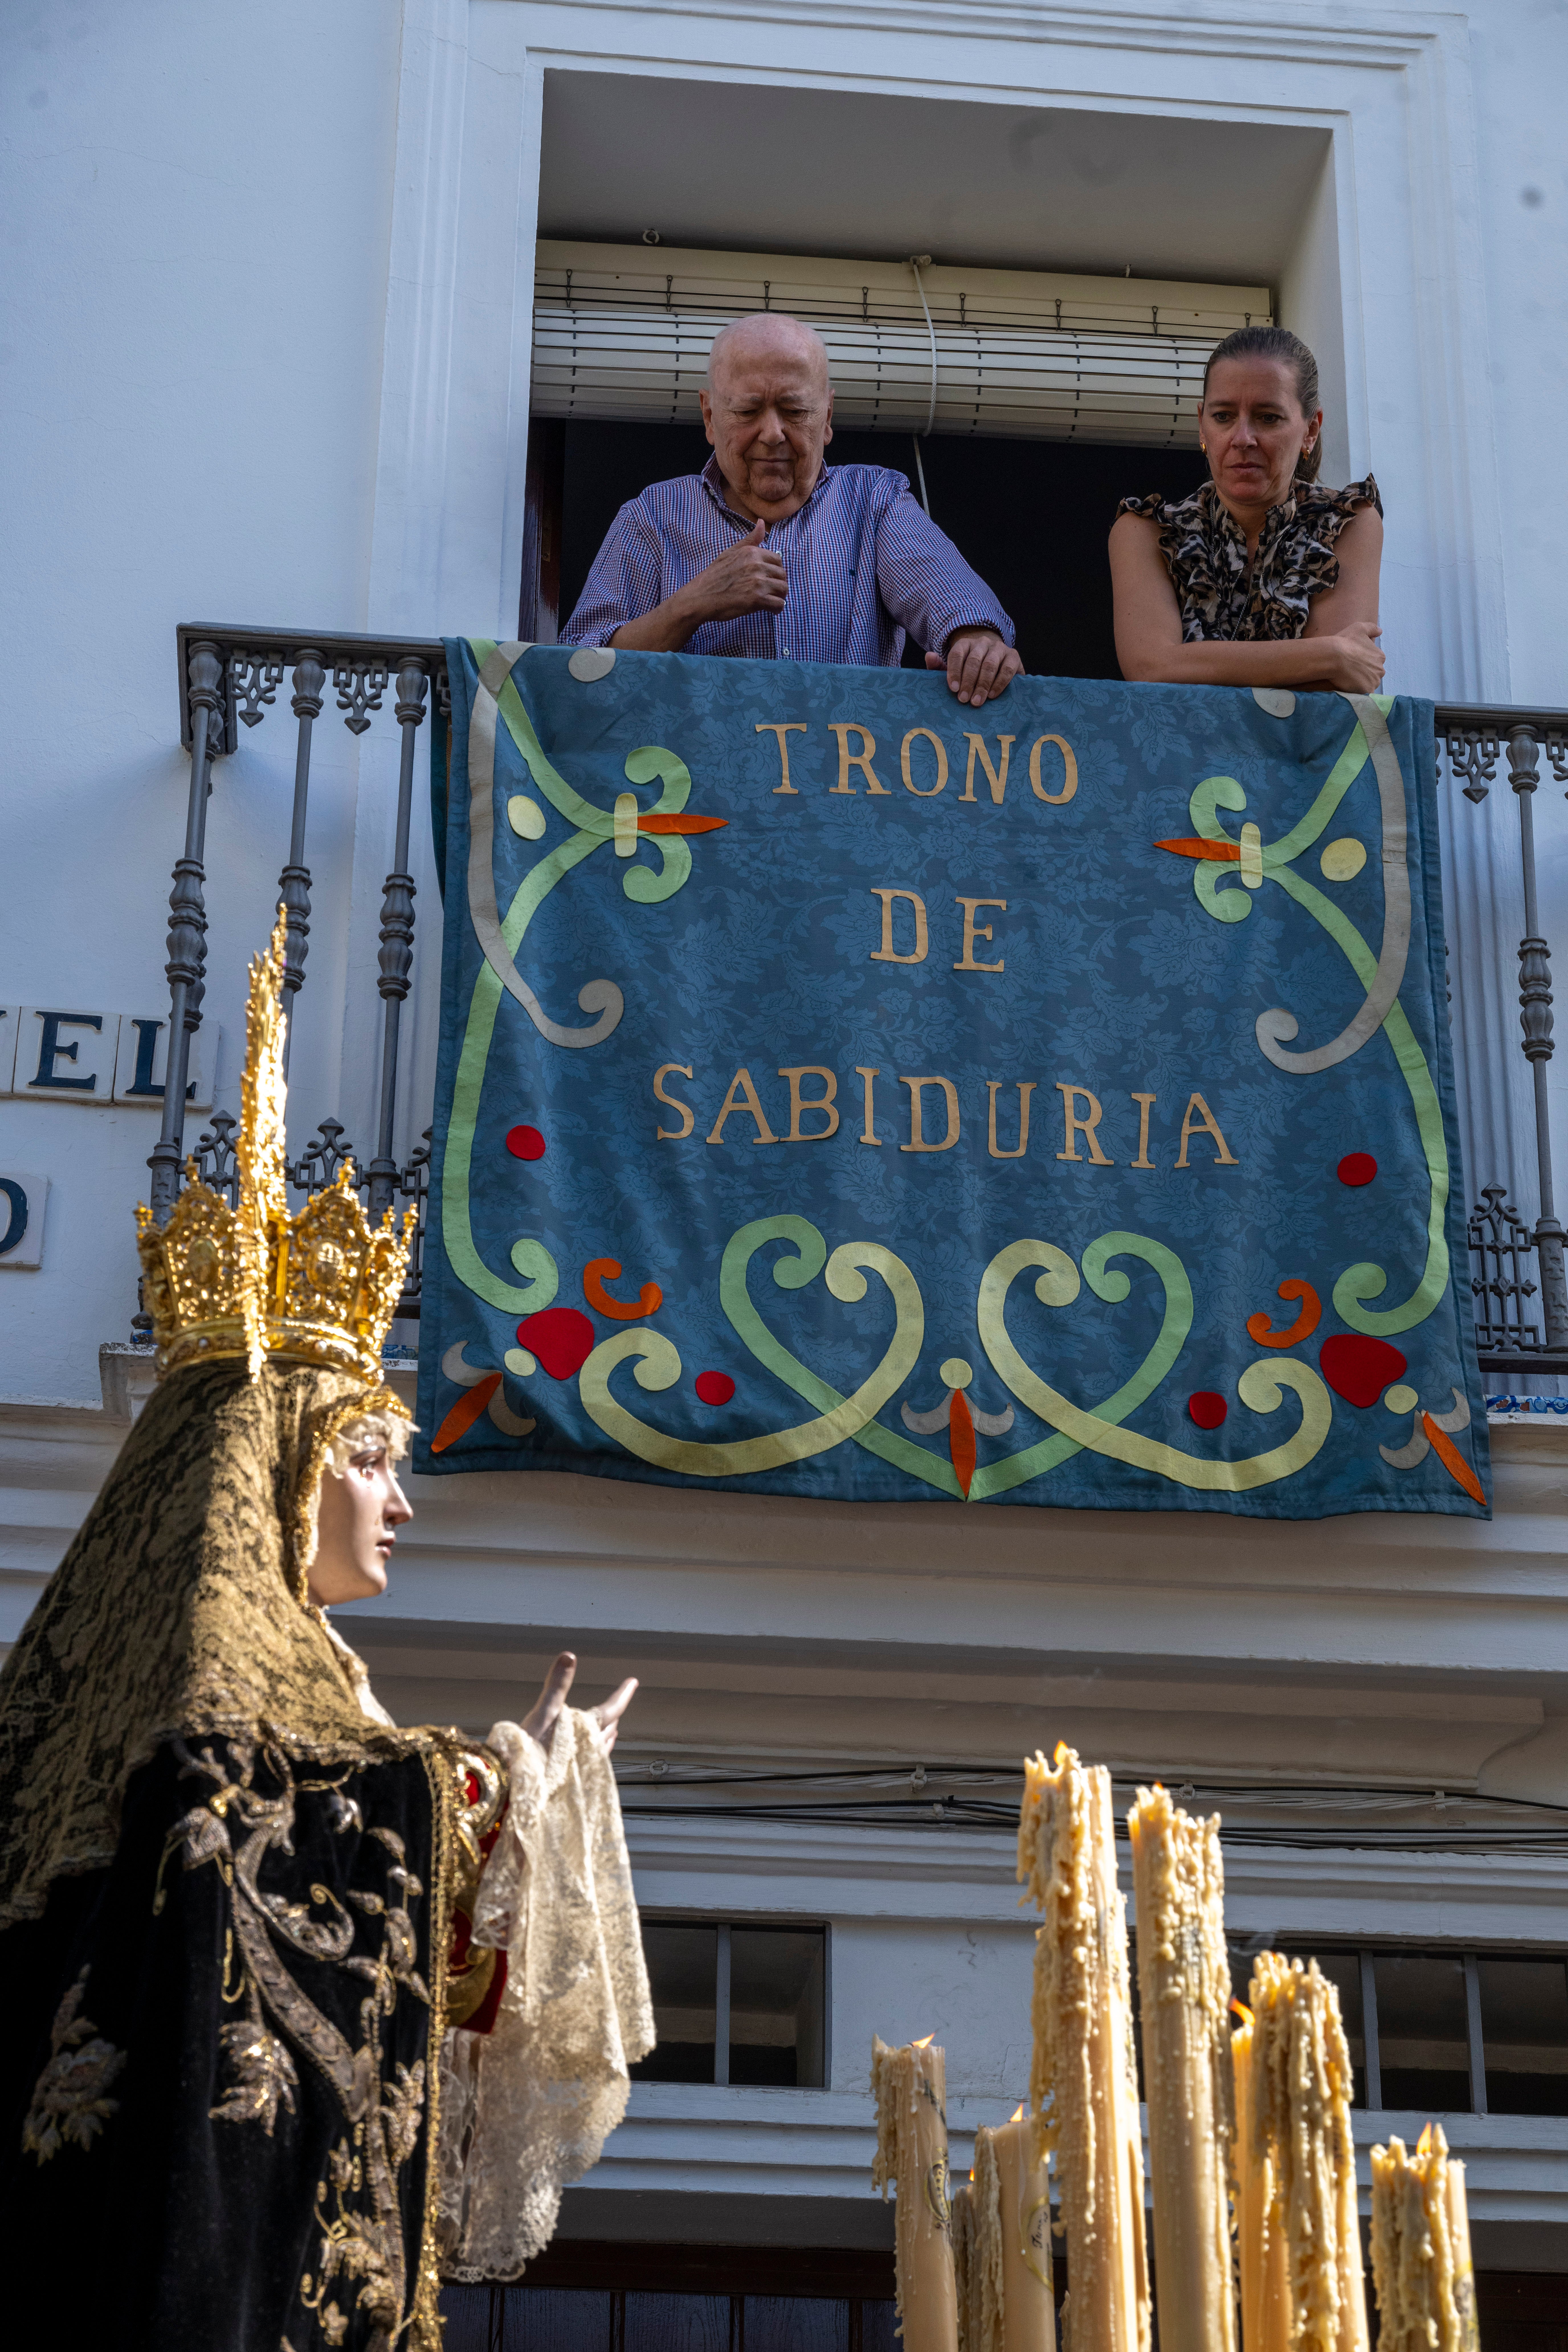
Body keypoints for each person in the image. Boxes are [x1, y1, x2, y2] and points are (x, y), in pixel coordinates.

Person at [0, 918, 653, 2349]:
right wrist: (509, 1785)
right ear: (270, 1474)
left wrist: (513, 1794)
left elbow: (399, 1969)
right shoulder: (197, 1719)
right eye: (367, 1457)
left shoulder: (263, 1701)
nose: (399, 1501)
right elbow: (275, 1857)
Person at [560, 311, 1023, 707]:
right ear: (710, 417)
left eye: (795, 410)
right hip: (690, 782)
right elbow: (575, 675)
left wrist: (976, 645)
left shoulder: (875, 501)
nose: (773, 433)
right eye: (748, 411)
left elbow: (952, 600)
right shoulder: (653, 517)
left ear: (827, 418)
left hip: (844, 779)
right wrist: (692, 605)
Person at [1109, 323, 1384, 694]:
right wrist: (1330, 652)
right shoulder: (1148, 531)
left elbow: (1336, 690)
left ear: (1310, 430)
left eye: (1268, 417)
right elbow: (1151, 667)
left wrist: (1189, 664)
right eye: (1223, 416)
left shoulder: (1349, 521)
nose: (1242, 439)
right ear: (1202, 426)